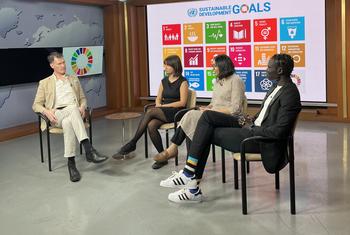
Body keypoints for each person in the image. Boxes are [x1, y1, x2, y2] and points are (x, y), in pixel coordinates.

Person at [160, 54, 302, 203]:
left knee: (204, 131)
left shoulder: (290, 93)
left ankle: (191, 183)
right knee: (207, 119)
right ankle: (190, 178)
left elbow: (280, 132)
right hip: (251, 129)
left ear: (279, 70)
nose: (265, 69)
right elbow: (262, 117)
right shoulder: (275, 86)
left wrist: (252, 129)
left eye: (269, 67)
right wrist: (246, 121)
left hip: (262, 141)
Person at [153, 54, 247, 169]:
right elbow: (214, 102)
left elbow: (235, 109)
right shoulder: (218, 81)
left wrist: (211, 110)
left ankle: (174, 149)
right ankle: (190, 164)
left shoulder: (236, 80)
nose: (212, 69)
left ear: (222, 66)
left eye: (214, 66)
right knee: (191, 121)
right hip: (214, 115)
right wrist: (207, 107)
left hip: (232, 118)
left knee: (191, 115)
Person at [32, 52, 108, 182]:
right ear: (52, 66)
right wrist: (46, 111)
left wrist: (82, 107)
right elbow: (36, 105)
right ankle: (89, 150)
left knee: (68, 122)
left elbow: (83, 99)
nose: (63, 66)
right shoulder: (45, 83)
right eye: (59, 63)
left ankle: (71, 165)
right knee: (72, 109)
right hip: (56, 116)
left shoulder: (73, 79)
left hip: (73, 115)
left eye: (64, 62)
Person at [115, 55, 188, 169]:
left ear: (175, 66)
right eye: (165, 65)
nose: (165, 67)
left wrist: (163, 105)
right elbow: (158, 97)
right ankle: (162, 157)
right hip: (163, 110)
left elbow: (182, 103)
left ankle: (133, 142)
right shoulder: (164, 81)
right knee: (151, 125)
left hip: (176, 112)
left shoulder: (183, 82)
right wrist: (159, 103)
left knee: (150, 112)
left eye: (167, 65)